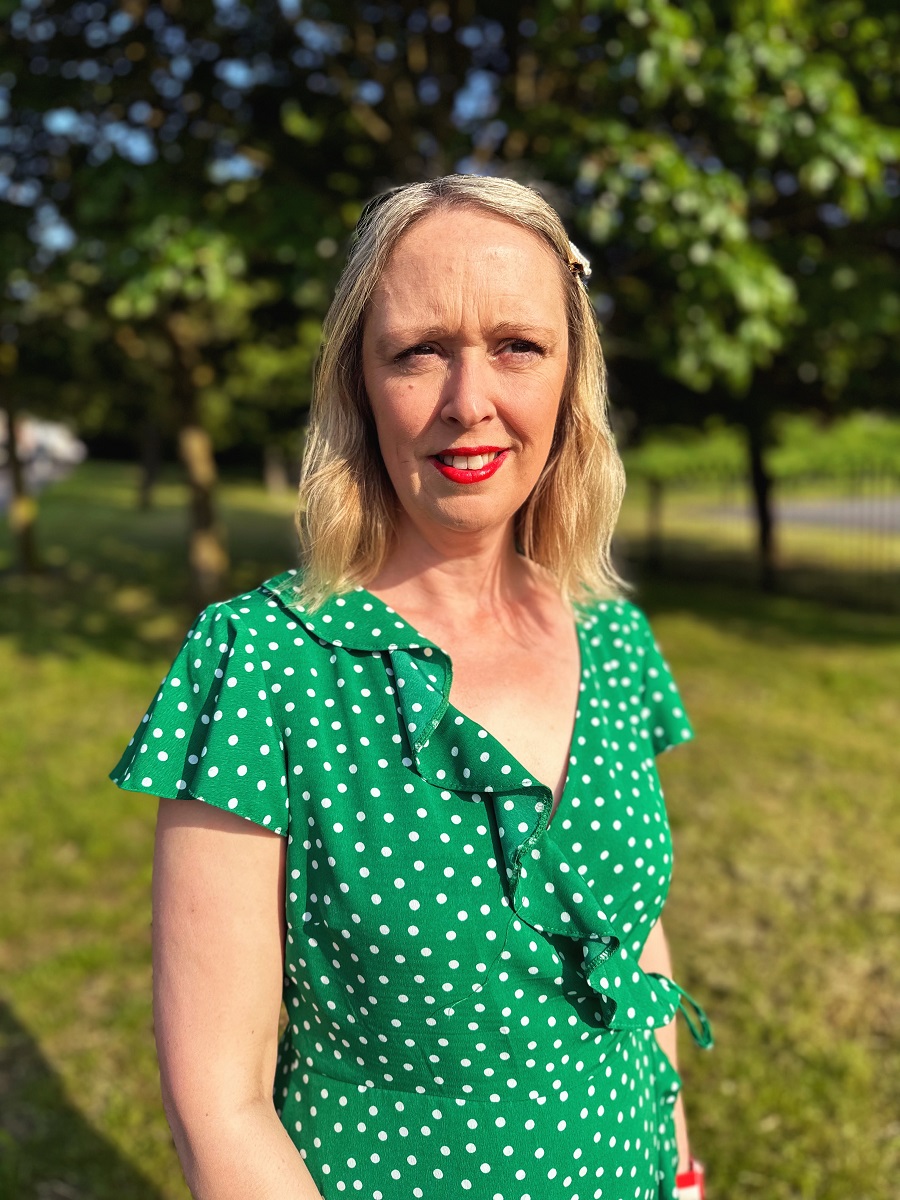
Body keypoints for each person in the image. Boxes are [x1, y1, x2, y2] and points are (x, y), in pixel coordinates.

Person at [111, 174, 712, 1200]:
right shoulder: (264, 666)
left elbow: (636, 945)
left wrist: (685, 1173)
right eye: (419, 351)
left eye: (517, 346)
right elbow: (219, 1106)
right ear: (359, 383)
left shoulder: (613, 639)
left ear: (571, 377)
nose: (468, 401)